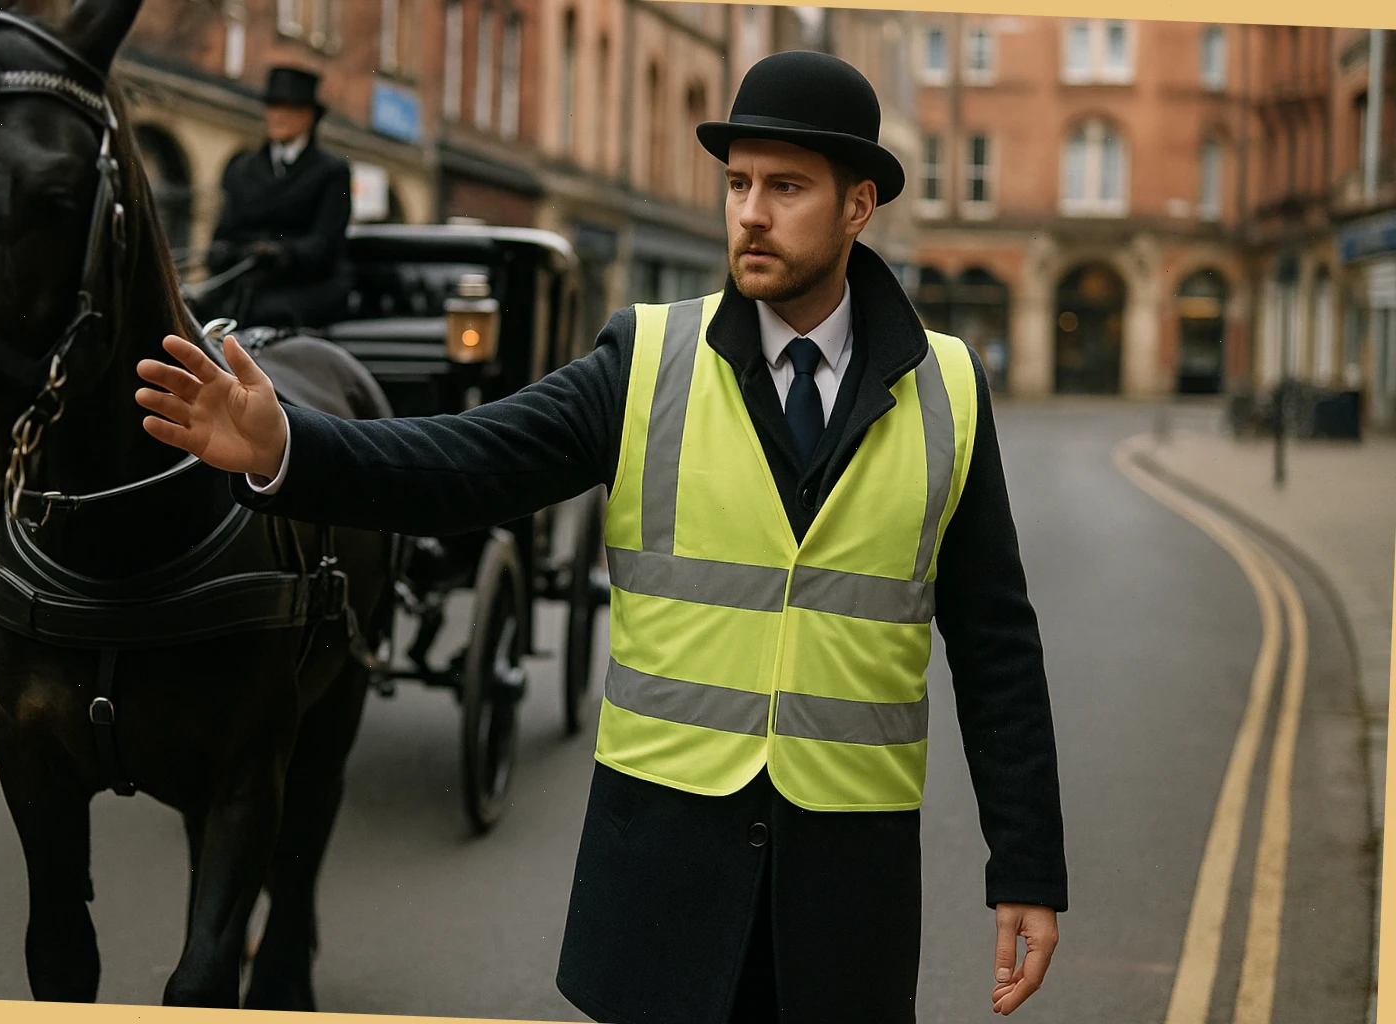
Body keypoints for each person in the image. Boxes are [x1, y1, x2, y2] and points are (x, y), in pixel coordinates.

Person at [136, 50, 1066, 1023]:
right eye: (738, 182)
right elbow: (466, 461)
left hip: (848, 894)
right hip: (662, 885)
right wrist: (290, 445)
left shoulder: (948, 390)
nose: (749, 210)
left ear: (858, 203)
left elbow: (997, 643)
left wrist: (1027, 864)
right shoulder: (649, 358)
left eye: (786, 187)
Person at [199, 65, 354, 330]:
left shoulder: (331, 172)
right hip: (244, 284)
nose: (278, 116)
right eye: (273, 107)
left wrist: (284, 253)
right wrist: (225, 254)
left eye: (289, 109)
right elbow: (223, 233)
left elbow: (325, 243)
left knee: (267, 316)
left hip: (305, 286)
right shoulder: (242, 169)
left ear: (309, 117)